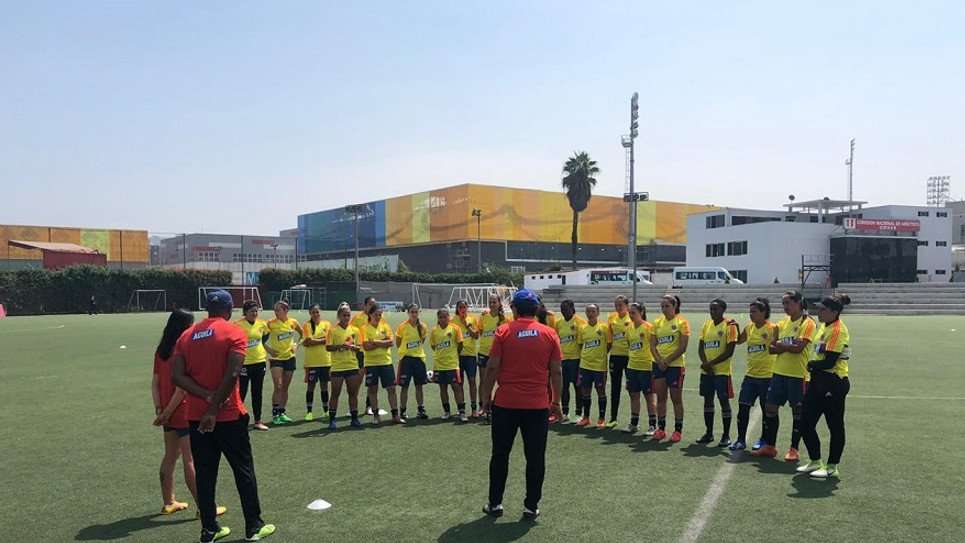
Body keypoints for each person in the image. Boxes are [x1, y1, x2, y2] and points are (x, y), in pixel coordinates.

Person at [171, 290, 275, 543]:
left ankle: (209, 529)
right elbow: (233, 373)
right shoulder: (233, 332)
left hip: (196, 417)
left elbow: (177, 376)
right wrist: (215, 406)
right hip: (228, 416)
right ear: (229, 309)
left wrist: (205, 398)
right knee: (243, 470)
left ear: (207, 309)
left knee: (205, 474)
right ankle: (253, 526)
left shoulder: (187, 335)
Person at [480, 289, 563, 520]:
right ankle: (531, 506)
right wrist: (556, 401)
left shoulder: (503, 331)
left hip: (506, 404)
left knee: (500, 455)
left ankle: (495, 503)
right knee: (535, 457)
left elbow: (493, 367)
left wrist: (486, 397)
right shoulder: (549, 334)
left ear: (514, 309)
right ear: (536, 309)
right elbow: (556, 371)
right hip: (537, 406)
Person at [752, 290, 817, 461]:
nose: (785, 307)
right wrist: (788, 344)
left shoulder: (807, 322)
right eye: (783, 304)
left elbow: (799, 348)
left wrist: (783, 344)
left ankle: (794, 449)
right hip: (778, 373)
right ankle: (770, 446)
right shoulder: (781, 324)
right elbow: (771, 348)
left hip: (797, 375)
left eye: (788, 303)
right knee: (770, 408)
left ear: (798, 303)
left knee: (797, 411)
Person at [153, 309, 206, 515]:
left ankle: (169, 502)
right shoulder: (183, 350)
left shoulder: (161, 350)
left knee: (170, 456)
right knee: (189, 459)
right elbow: (181, 389)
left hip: (167, 412)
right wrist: (166, 411)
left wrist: (160, 408)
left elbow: (155, 382)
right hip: (183, 411)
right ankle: (204, 508)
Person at [797, 294, 852, 479]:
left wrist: (811, 364)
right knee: (805, 422)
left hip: (833, 382)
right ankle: (815, 461)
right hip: (818, 382)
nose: (819, 311)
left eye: (823, 309)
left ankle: (832, 466)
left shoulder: (838, 330)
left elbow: (829, 361)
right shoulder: (824, 327)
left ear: (834, 312)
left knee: (834, 426)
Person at [731, 298, 777, 451]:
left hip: (767, 377)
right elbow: (738, 341)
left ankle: (764, 440)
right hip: (750, 376)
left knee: (766, 411)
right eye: (750, 311)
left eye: (754, 311)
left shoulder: (772, 328)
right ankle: (740, 440)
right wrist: (735, 327)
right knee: (743, 408)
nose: (751, 314)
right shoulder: (749, 328)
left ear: (764, 313)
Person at [697, 299, 739, 447]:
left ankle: (726, 435)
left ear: (723, 309)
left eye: (715, 309)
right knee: (708, 401)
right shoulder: (706, 325)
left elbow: (730, 351)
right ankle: (708, 433)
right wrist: (705, 363)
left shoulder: (730, 325)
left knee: (723, 402)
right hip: (707, 372)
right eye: (711, 309)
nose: (712, 312)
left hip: (722, 372)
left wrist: (711, 364)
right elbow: (701, 347)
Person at [650, 294, 690, 443]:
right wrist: (659, 360)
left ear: (674, 307)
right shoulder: (657, 323)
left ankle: (678, 430)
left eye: (667, 306)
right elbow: (652, 345)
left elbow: (683, 347)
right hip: (659, 365)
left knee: (676, 399)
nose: (664, 309)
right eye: (662, 306)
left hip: (675, 366)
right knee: (661, 398)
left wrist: (667, 361)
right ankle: (661, 429)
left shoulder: (682, 323)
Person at [361, 304, 402, 424]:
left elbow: (390, 343)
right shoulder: (364, 328)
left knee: (391, 389)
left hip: (386, 362)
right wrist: (381, 343)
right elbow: (366, 347)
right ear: (370, 315)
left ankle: (395, 415)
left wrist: (374, 341)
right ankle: (376, 416)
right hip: (371, 364)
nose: (378, 317)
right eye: (376, 315)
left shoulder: (385, 326)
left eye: (380, 315)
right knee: (373, 390)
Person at [326, 304, 364, 430]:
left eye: (348, 315)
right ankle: (332, 420)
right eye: (344, 315)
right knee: (335, 394)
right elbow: (328, 347)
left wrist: (353, 347)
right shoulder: (332, 330)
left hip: (352, 365)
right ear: (339, 316)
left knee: (353, 393)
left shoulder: (355, 330)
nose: (347, 317)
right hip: (337, 367)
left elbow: (359, 347)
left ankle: (354, 418)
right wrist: (341, 346)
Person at [265, 301, 302, 425]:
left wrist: (297, 345)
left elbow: (303, 334)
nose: (276, 312)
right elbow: (260, 338)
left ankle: (282, 412)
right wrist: (269, 349)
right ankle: (275, 414)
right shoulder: (270, 324)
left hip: (290, 358)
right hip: (276, 359)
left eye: (278, 310)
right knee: (278, 386)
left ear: (286, 310)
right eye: (275, 310)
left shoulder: (293, 322)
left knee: (285, 387)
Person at [236, 301, 271, 431]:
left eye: (256, 311)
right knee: (241, 393)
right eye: (252, 311)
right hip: (244, 363)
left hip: (259, 361)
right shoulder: (237, 325)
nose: (255, 313)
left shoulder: (262, 324)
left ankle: (258, 421)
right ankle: (237, 420)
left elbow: (265, 336)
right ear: (245, 312)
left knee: (257, 392)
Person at [575, 304, 611, 429]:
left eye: (593, 311)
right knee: (585, 392)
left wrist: (601, 355)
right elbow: (580, 345)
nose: (590, 313)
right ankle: (586, 417)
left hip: (599, 366)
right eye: (588, 311)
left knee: (601, 391)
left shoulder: (604, 327)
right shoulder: (582, 328)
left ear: (598, 312)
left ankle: (601, 419)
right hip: (585, 365)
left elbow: (609, 344)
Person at [624, 302, 657, 435]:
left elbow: (655, 345)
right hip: (632, 367)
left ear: (641, 312)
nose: (631, 316)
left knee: (649, 397)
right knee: (634, 396)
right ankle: (634, 423)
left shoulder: (649, 328)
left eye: (634, 313)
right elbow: (629, 346)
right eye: (630, 313)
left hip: (646, 367)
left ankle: (652, 425)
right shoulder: (629, 328)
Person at [478, 294, 511, 421]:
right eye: (490, 302)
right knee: (483, 381)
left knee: (500, 381)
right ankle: (483, 406)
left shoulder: (505, 319)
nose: (492, 305)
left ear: (499, 303)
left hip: (498, 355)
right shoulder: (483, 317)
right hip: (483, 352)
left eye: (494, 302)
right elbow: (480, 333)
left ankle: (500, 405)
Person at [431, 308, 467, 421]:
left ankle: (462, 412)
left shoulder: (455, 328)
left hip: (452, 364)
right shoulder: (434, 330)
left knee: (456, 387)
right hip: (439, 365)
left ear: (449, 317)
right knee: (443, 388)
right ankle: (447, 411)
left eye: (445, 317)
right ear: (438, 318)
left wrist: (454, 354)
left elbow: (460, 344)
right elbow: (433, 346)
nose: (443, 319)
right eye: (441, 317)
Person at [396, 303, 430, 420]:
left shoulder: (423, 327)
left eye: (416, 312)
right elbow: (398, 342)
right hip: (406, 360)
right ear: (408, 313)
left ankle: (420, 409)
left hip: (419, 359)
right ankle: (403, 411)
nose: (414, 314)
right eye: (412, 312)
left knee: (419, 386)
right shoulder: (402, 327)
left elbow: (422, 341)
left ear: (418, 313)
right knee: (404, 386)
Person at [553, 300, 585, 423]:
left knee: (578, 387)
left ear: (572, 309)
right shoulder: (559, 323)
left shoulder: (580, 322)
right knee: (563, 387)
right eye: (562, 308)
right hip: (562, 360)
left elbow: (582, 343)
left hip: (576, 360)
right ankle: (565, 412)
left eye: (566, 308)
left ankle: (579, 413)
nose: (564, 311)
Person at [301, 304, 331, 422]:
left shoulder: (327, 324)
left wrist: (314, 340)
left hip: (325, 361)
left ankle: (326, 410)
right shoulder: (306, 325)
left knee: (324, 387)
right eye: (313, 312)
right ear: (310, 313)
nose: (316, 314)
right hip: (311, 362)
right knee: (311, 387)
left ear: (320, 312)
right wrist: (321, 340)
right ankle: (309, 412)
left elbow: (328, 340)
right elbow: (307, 342)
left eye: (317, 312)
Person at [606, 296, 632, 428]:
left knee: (633, 389)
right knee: (615, 388)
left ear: (627, 305)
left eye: (620, 305)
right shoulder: (611, 318)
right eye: (616, 305)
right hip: (615, 357)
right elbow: (609, 339)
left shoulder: (631, 317)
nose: (618, 307)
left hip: (629, 357)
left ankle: (634, 420)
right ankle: (613, 418)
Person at [453, 300, 482, 417]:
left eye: (464, 307)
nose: (462, 310)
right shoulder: (452, 321)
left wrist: (467, 325)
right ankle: (462, 409)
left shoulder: (472, 319)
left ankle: (474, 409)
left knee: (472, 381)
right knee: (460, 383)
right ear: (457, 309)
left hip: (470, 356)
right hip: (458, 356)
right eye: (460, 307)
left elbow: (476, 336)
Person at [352, 296, 379, 415]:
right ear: (365, 305)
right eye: (370, 304)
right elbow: (350, 332)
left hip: (374, 354)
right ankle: (353, 406)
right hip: (361, 353)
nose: (372, 306)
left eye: (374, 304)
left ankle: (368, 407)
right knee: (357, 380)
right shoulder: (357, 318)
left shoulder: (378, 317)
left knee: (371, 382)